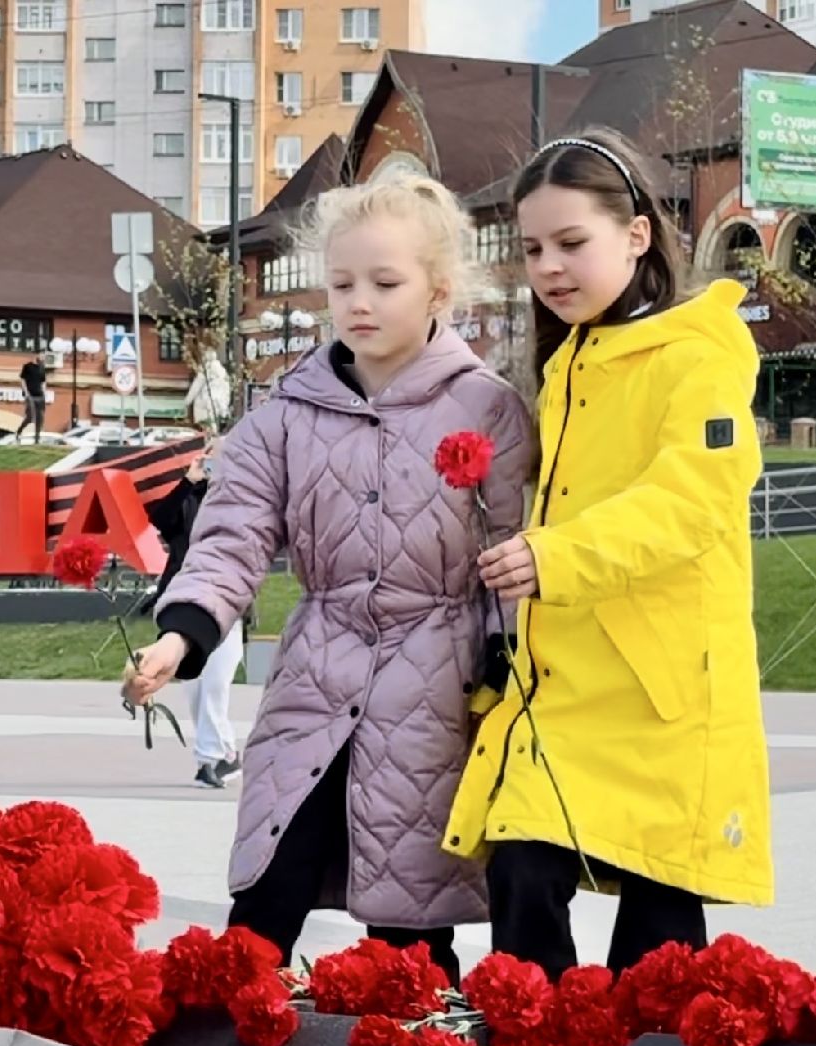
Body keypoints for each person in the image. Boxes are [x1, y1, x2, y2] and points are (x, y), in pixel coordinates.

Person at [123, 173, 533, 982]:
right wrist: (185, 633)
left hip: (436, 693)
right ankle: (230, 1043)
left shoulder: (487, 407)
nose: (360, 302)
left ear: (439, 290)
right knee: (267, 895)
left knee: (412, 922)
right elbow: (233, 529)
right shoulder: (286, 412)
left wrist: (506, 656)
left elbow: (516, 545)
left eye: (386, 283)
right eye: (343, 284)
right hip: (317, 674)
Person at [445, 128, 773, 982]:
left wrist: (554, 557)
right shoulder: (568, 363)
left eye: (572, 242)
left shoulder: (699, 357)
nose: (550, 267)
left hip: (663, 687)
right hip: (565, 684)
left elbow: (692, 501)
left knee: (658, 942)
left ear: (636, 236)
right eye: (532, 249)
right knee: (520, 864)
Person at [141, 438, 243, 789]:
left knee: (214, 683)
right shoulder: (190, 499)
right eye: (211, 457)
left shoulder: (242, 501)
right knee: (196, 689)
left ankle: (207, 761)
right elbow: (159, 520)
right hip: (184, 599)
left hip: (227, 601)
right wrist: (189, 480)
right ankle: (225, 754)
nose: (216, 464)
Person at [16, 354, 47, 444]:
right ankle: (19, 431)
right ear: (37, 356)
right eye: (42, 356)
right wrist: (26, 392)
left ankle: (37, 439)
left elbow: (43, 382)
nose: (43, 358)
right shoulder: (27, 366)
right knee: (30, 417)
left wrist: (44, 393)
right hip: (31, 396)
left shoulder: (41, 369)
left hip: (40, 396)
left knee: (40, 418)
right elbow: (22, 380)